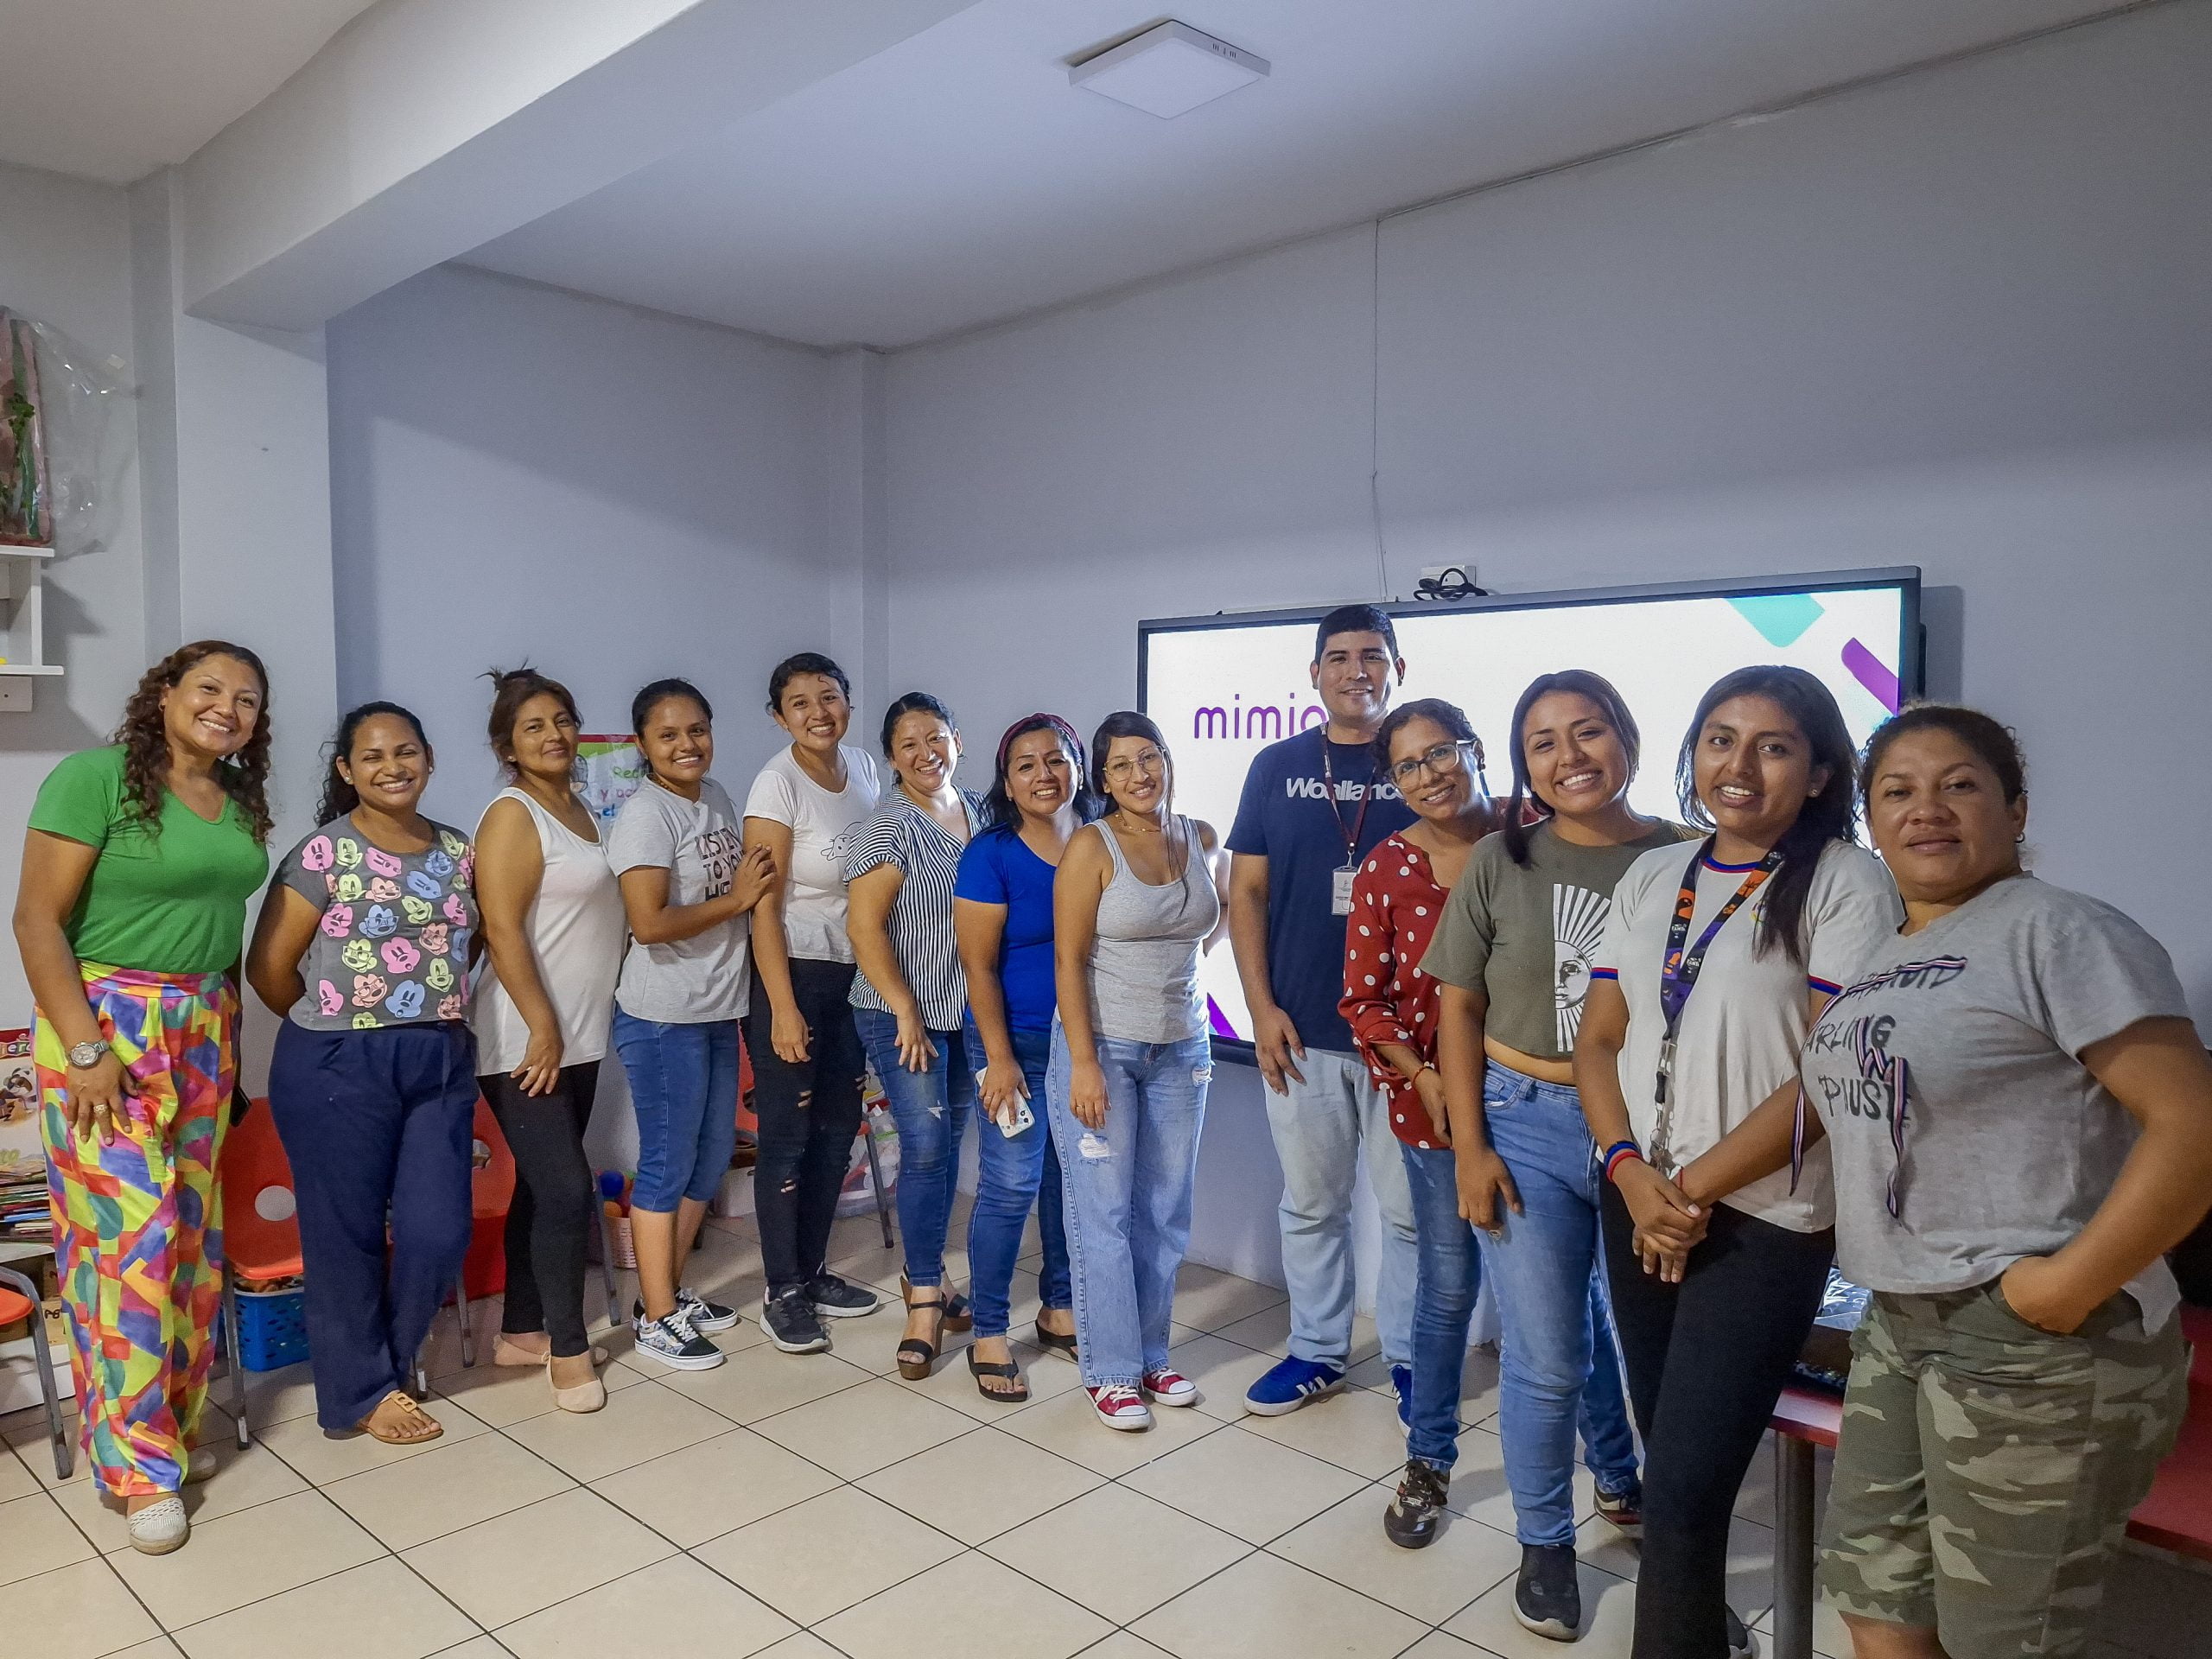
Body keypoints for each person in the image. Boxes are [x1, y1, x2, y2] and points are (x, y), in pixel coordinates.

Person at [1705, 706, 2212, 1659]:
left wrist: (2063, 1288)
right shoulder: (1885, 958)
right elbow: (1823, 1102)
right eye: (1897, 791)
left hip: (2033, 1337)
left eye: (1960, 785)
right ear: (1871, 821)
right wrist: (1689, 1184)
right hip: (1901, 1321)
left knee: (2000, 1641)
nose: (1926, 808)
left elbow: (2193, 1127)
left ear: (2015, 810)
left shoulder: (2059, 931)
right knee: (1877, 1603)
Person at [1573, 665, 1903, 1659]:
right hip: (1635, 1197)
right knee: (1672, 1466)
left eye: (1773, 746)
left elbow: (1829, 1070)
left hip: (1763, 1221)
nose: (1740, 765)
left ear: (1818, 772)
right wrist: (1629, 1172)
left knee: (1681, 1495)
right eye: (1720, 739)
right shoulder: (1653, 874)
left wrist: (1686, 1194)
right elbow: (1598, 1041)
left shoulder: (1846, 882)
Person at [1408, 674, 1675, 1630]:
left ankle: (1674, 1555)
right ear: (1523, 765)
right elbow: (1458, 1009)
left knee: (1659, 1363)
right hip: (1521, 1122)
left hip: (1650, 1134)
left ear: (1628, 736)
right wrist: (1470, 1146)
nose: (1569, 758)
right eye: (1543, 744)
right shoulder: (1500, 858)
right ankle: (1545, 1543)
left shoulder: (1685, 855)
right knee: (1547, 1357)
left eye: (1587, 732)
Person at [14, 642, 273, 1554]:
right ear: (164, 694)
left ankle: (168, 1428)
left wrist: (229, 1044)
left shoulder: (236, 798)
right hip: (105, 1024)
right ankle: (135, 1472)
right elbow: (36, 920)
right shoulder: (94, 779)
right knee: (128, 1246)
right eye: (209, 688)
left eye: (248, 699)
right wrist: (86, 1048)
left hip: (203, 1027)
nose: (227, 707)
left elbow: (219, 928)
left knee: (193, 1245)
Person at [247, 703, 480, 1451]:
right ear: (347, 770)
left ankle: (387, 1359)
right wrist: (336, 1018)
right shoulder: (324, 852)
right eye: (372, 756)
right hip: (336, 1062)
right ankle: (362, 1390)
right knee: (343, 1235)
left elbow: (465, 947)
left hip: (439, 1056)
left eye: (405, 751)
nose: (392, 767)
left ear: (429, 758)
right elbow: (269, 969)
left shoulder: (459, 849)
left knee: (438, 1228)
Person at [1229, 604, 1419, 1417]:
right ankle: (1316, 1351)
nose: (1355, 671)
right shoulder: (1276, 765)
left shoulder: (1424, 762)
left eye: (1372, 655)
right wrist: (1260, 1007)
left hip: (1409, 1041)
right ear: (1314, 675)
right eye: (1338, 657)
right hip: (1302, 1029)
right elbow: (1246, 892)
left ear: (1397, 670)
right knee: (1311, 1208)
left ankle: (1414, 1360)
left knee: (1411, 1215)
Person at [1050, 712, 1226, 1429]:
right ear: (1103, 779)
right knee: (1105, 1216)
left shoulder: (1200, 836)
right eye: (1121, 765)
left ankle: (1153, 1356)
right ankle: (1112, 1371)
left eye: (1149, 758)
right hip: (1104, 1050)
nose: (1139, 775)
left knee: (1165, 1212)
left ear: (1167, 761)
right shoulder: (1090, 847)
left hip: (1184, 1049)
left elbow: (1210, 922)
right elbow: (1067, 961)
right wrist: (1083, 1063)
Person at [607, 678, 776, 1370]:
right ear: (643, 744)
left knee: (708, 1161)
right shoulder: (647, 816)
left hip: (717, 1008)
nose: (687, 744)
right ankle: (655, 1319)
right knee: (668, 1163)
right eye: (669, 735)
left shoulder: (716, 798)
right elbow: (648, 923)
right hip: (662, 1017)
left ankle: (666, 1294)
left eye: (697, 730)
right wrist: (738, 899)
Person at [471, 667, 625, 1413]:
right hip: (523, 1037)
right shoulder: (513, 814)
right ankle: (568, 1350)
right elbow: (501, 929)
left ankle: (521, 1331)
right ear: (507, 746)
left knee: (542, 1187)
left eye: (562, 720)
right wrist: (540, 1026)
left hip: (579, 1034)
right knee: (567, 1191)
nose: (554, 735)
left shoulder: (582, 809)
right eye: (533, 726)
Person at [741, 652, 886, 1355]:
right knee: (788, 1138)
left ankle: (813, 1269)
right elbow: (762, 907)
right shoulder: (776, 785)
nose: (817, 713)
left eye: (828, 697)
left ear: (848, 702)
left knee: (836, 1132)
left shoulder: (863, 768)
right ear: (780, 717)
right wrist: (781, 1008)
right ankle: (782, 1290)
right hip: (793, 974)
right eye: (799, 703)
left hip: (853, 974)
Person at [951, 715, 1090, 1400]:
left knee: (1069, 1181)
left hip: (1084, 1046)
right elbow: (977, 967)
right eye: (1026, 765)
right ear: (1007, 783)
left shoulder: (1102, 840)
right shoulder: (992, 853)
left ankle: (1059, 1309)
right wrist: (1000, 1058)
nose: (1044, 775)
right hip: (1011, 1044)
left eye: (1056, 760)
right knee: (1011, 1185)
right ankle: (988, 1330)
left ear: (1079, 768)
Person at [847, 691, 983, 1380]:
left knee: (948, 1146)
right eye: (908, 744)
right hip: (901, 1013)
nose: (926, 753)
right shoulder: (889, 826)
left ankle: (929, 1273)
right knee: (926, 1149)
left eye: (936, 737)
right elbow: (863, 926)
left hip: (967, 1012)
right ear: (891, 759)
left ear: (958, 739)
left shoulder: (984, 813)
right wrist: (903, 1007)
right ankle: (924, 1295)